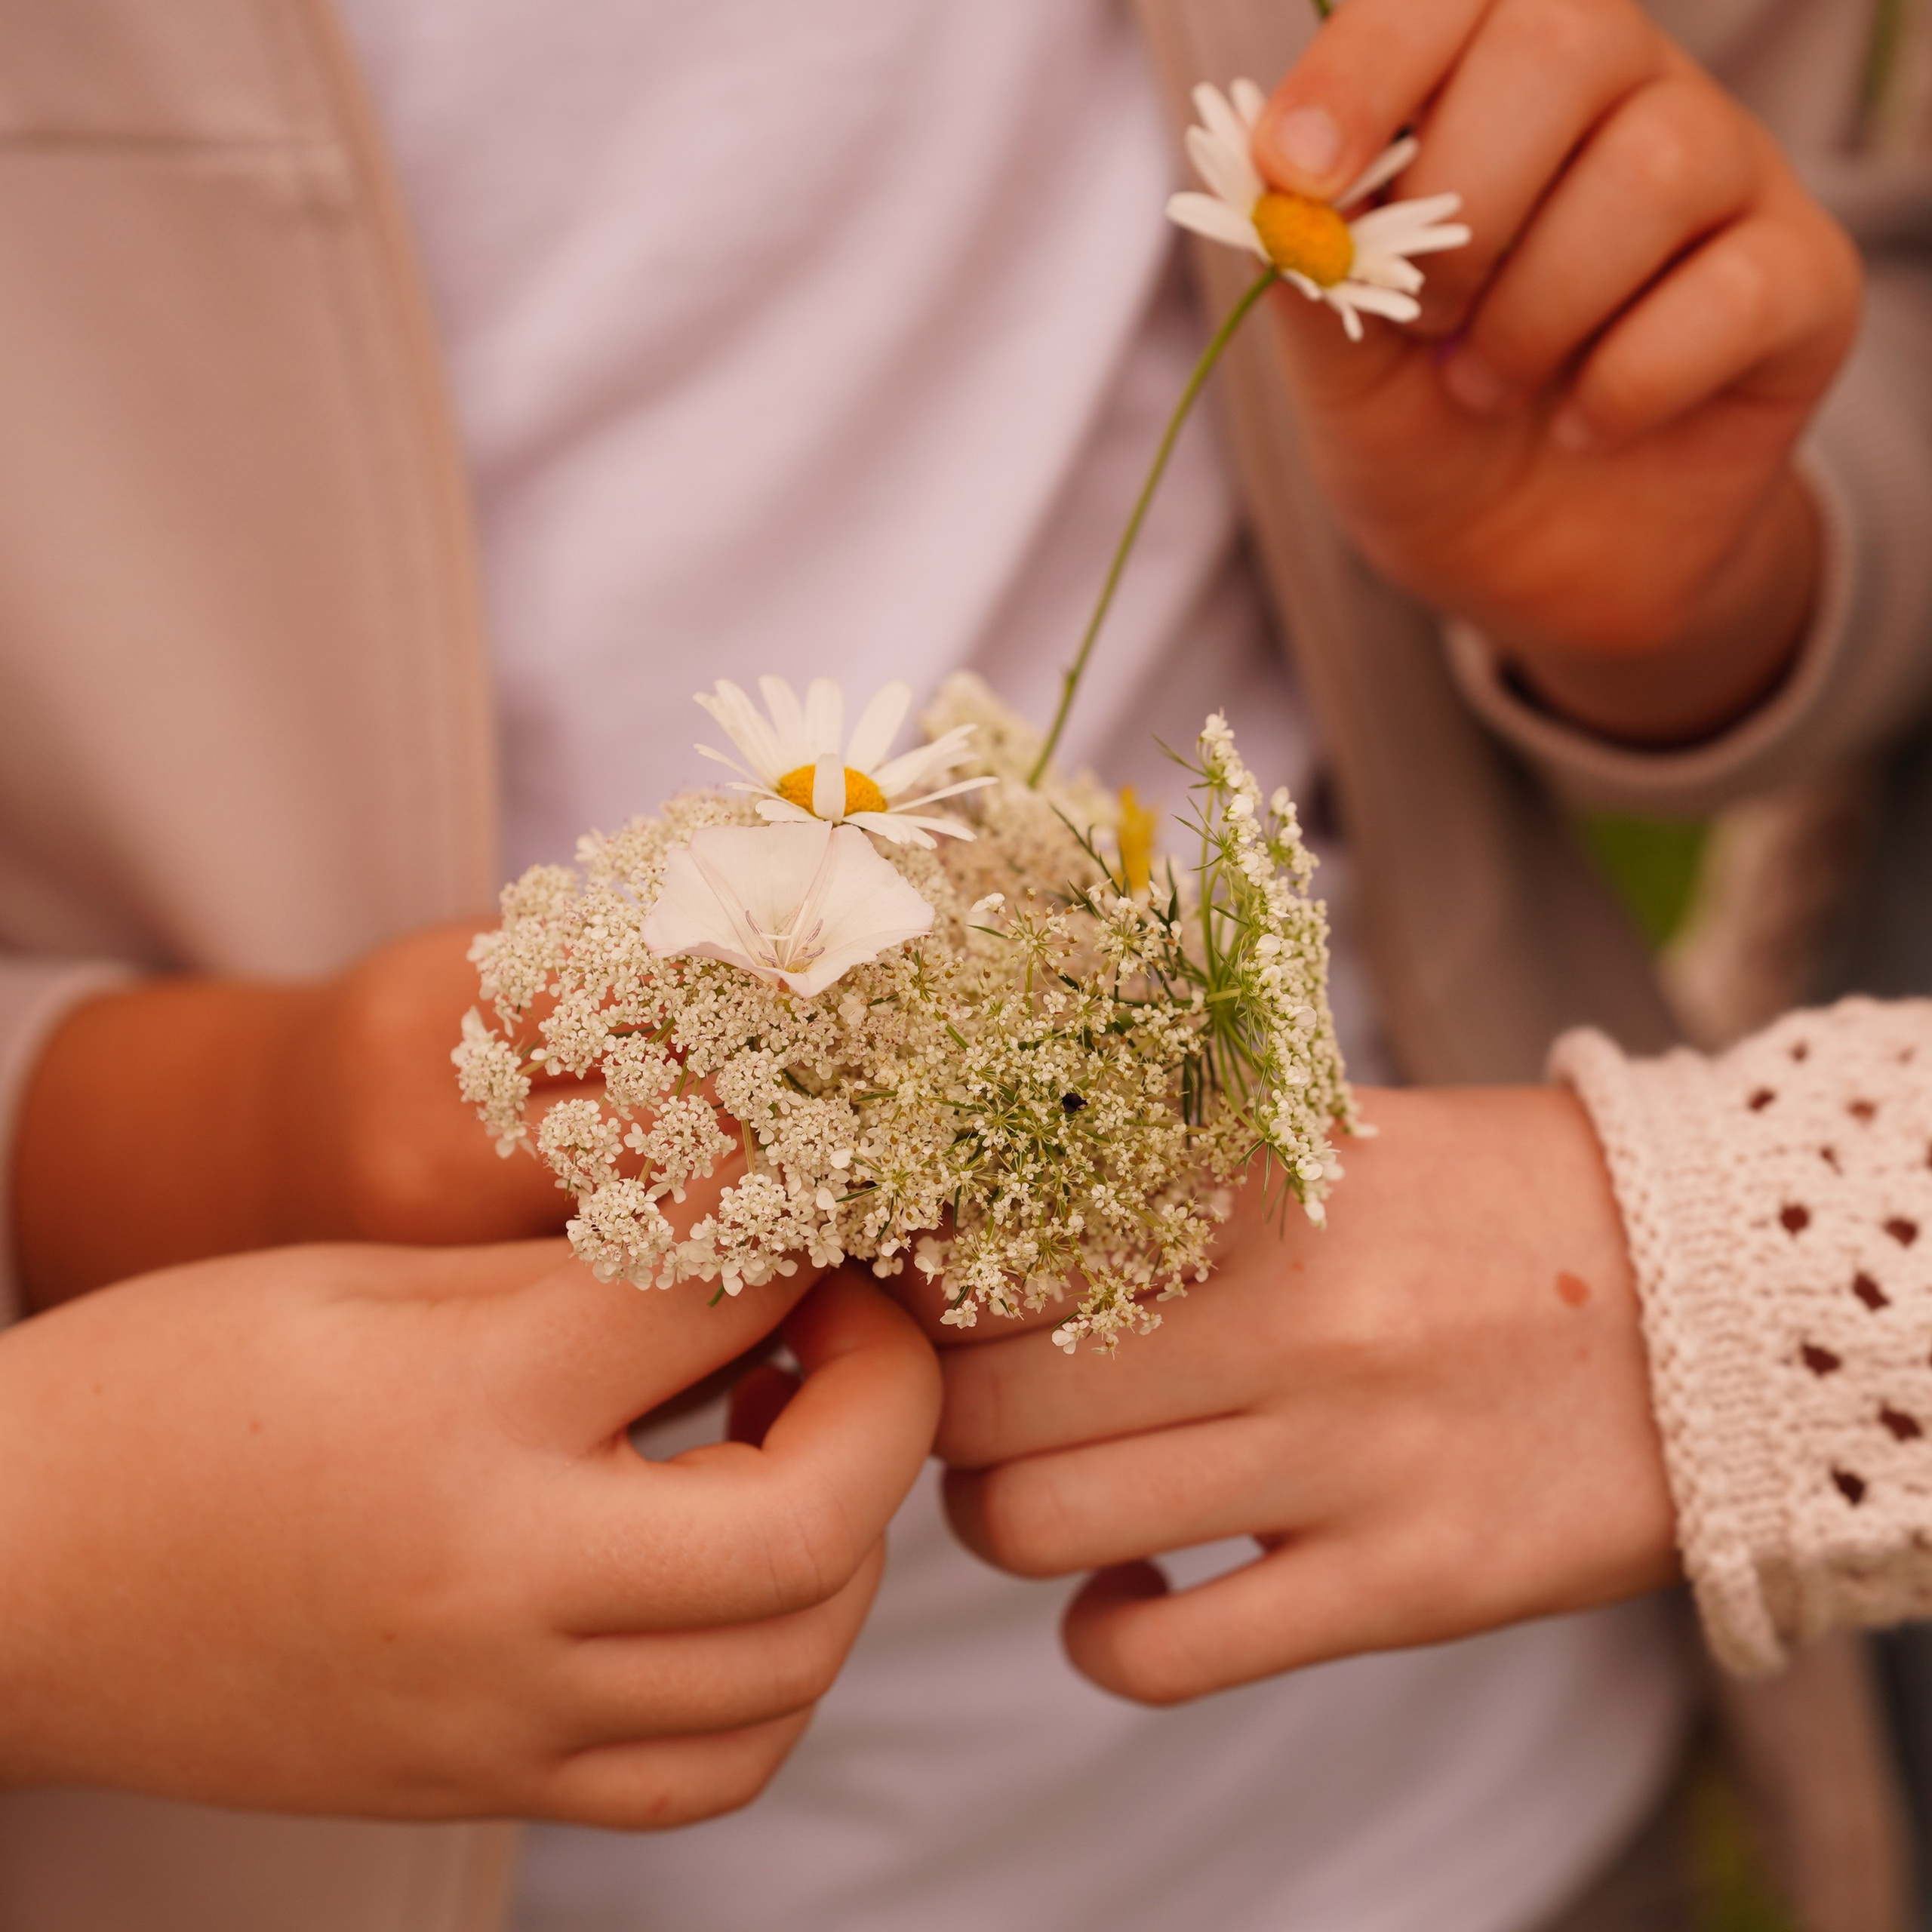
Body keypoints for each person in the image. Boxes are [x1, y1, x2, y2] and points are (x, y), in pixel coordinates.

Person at [0, 4, 1924, 1932]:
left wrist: (1722, 587)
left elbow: (1828, 314)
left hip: (1424, 1714)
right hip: (307, 1801)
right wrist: (190, 1135)